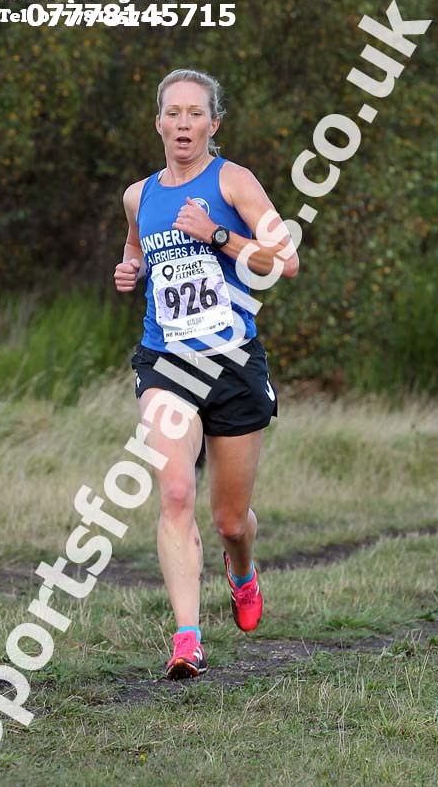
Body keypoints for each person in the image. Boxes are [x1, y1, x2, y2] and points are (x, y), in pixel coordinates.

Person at [114, 69, 299, 680]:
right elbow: (137, 247)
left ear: (213, 124)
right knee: (173, 492)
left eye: (197, 113)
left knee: (228, 520)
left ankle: (240, 570)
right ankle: (187, 638)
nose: (184, 124)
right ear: (159, 122)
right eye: (174, 113)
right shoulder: (139, 195)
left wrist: (218, 234)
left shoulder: (234, 180)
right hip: (166, 362)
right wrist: (130, 269)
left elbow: (287, 261)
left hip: (233, 364)